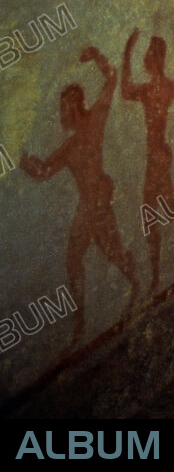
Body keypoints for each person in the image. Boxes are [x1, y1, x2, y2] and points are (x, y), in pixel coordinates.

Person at [21, 46, 140, 347]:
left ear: (76, 106)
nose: (63, 114)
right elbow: (44, 171)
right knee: (75, 262)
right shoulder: (70, 146)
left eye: (66, 107)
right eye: (62, 108)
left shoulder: (94, 123)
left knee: (108, 253)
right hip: (87, 207)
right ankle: (80, 321)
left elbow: (112, 79)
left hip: (98, 206)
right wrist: (22, 158)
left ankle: (134, 283)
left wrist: (97, 54)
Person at [122, 30, 174, 294]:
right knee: (166, 206)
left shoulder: (154, 89)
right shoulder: (164, 88)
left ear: (155, 58)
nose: (144, 58)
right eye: (144, 53)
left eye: (147, 53)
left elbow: (125, 90)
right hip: (158, 153)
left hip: (157, 155)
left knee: (150, 213)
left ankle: (155, 275)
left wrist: (126, 52)